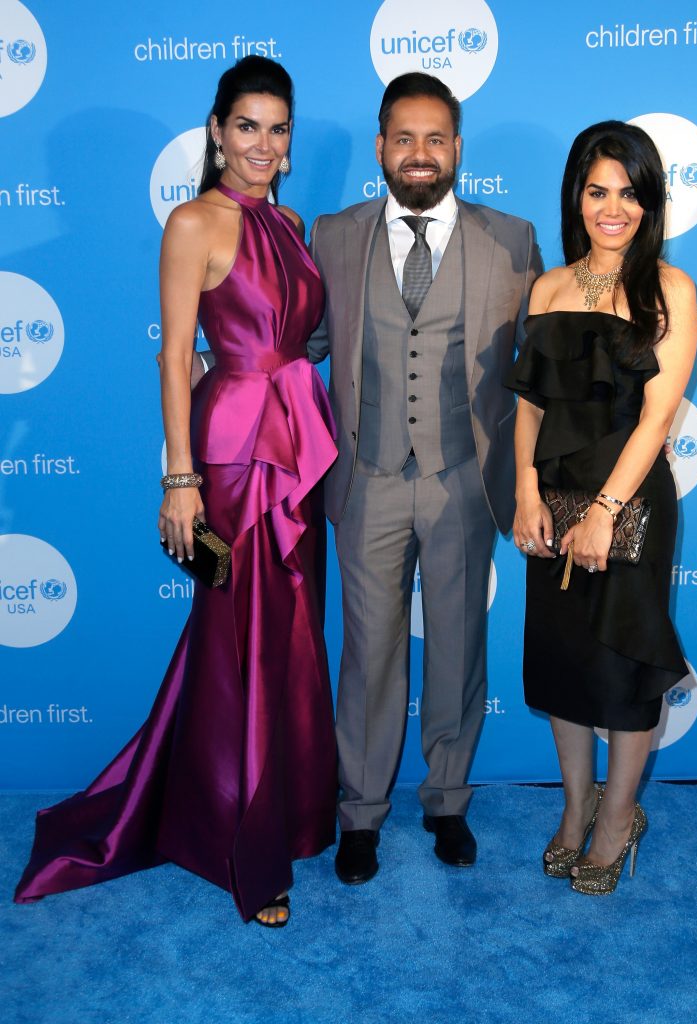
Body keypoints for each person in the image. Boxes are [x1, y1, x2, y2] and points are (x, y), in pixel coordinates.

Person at [14, 56, 338, 927]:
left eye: (277, 128)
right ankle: (248, 851)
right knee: (245, 647)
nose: (262, 144)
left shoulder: (291, 221)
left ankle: (285, 814)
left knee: (288, 641)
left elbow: (293, 341)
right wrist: (181, 477)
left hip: (298, 452)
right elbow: (174, 355)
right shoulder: (192, 222)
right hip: (232, 460)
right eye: (247, 126)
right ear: (215, 131)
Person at [307, 73, 542, 884]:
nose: (418, 154)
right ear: (379, 147)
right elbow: (295, 344)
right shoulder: (332, 235)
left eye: (434, 138)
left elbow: (536, 370)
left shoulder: (511, 239)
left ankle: (446, 801)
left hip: (463, 480)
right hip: (365, 476)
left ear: (457, 150)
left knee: (456, 646)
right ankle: (361, 813)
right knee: (366, 653)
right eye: (402, 138)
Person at [508, 120, 697, 895]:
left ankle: (618, 817)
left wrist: (605, 508)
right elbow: (528, 405)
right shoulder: (548, 287)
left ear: (649, 203)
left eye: (627, 192)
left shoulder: (670, 291)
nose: (610, 207)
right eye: (596, 191)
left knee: (619, 666)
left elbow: (657, 417)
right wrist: (525, 490)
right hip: (550, 499)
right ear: (575, 198)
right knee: (562, 663)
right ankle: (574, 805)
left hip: (629, 503)